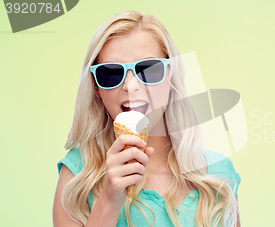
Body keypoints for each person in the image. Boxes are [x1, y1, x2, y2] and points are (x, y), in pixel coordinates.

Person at [52, 10, 241, 227]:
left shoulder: (219, 174)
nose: (130, 86)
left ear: (171, 76)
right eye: (111, 73)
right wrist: (109, 200)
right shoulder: (78, 174)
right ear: (96, 88)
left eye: (148, 70)